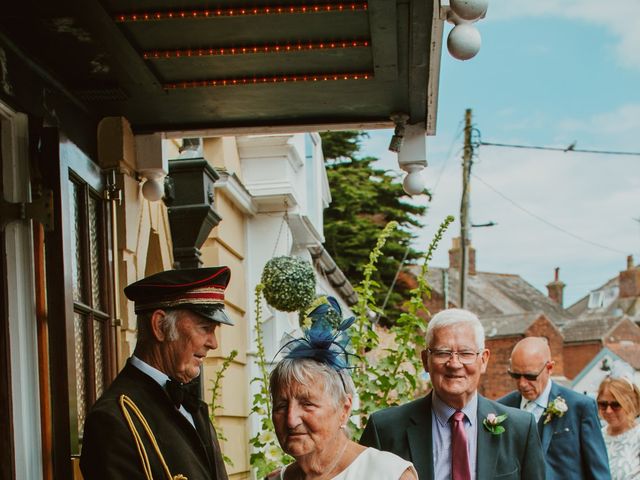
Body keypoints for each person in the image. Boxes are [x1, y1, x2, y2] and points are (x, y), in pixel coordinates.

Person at [80, 266, 233, 480]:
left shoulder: (190, 406)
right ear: (160, 325)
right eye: (205, 327)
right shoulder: (113, 419)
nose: (213, 343)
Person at [360, 308, 545, 480]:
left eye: (465, 353)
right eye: (443, 353)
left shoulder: (520, 428)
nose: (454, 363)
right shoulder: (384, 429)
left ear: (484, 360)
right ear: (426, 360)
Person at [267, 297, 417, 480]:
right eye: (281, 406)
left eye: (307, 403)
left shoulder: (389, 475)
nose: (291, 420)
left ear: (344, 409)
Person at [498, 336, 611, 480]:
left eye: (530, 376)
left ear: (549, 368)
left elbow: (599, 472)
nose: (522, 384)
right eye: (515, 375)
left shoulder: (580, 407)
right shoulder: (502, 408)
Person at [597, 376, 640, 480]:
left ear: (630, 404)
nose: (608, 411)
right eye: (603, 404)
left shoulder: (637, 437)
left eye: (616, 405)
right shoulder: (596, 436)